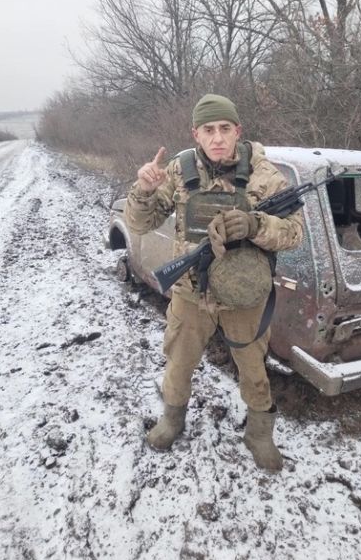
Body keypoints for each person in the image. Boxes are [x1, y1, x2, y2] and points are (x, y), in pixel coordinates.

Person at [124, 94, 303, 471]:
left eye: (225, 128)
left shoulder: (266, 175)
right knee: (179, 360)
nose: (218, 137)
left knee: (253, 366)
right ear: (196, 133)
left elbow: (294, 234)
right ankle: (172, 419)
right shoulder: (177, 171)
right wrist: (142, 190)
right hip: (190, 290)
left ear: (238, 130)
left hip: (245, 293)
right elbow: (140, 224)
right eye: (209, 130)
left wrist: (257, 226)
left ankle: (259, 433)